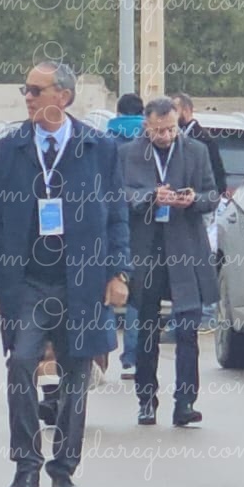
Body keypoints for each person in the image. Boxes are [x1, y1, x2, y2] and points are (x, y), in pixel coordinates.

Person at [0, 61, 130, 487]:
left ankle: (64, 467)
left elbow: (117, 215)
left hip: (80, 280)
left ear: (63, 96)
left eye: (36, 90)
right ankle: (26, 465)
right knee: (21, 363)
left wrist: (118, 272)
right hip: (28, 280)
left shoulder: (99, 148)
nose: (27, 97)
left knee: (75, 374)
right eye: (25, 90)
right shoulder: (11, 149)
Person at [123, 97, 218, 427]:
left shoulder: (196, 151)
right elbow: (119, 195)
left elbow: (212, 194)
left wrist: (193, 199)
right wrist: (150, 196)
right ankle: (146, 400)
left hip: (185, 249)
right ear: (146, 126)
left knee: (188, 329)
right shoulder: (129, 153)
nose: (165, 136)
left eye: (171, 129)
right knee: (147, 328)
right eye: (159, 130)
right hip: (147, 250)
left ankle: (185, 402)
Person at [170, 91, 226, 333]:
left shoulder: (202, 140)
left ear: (186, 110)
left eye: (175, 109)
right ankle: (183, 314)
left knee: (201, 257)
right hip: (177, 207)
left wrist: (198, 197)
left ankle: (205, 313)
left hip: (199, 207)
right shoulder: (174, 138)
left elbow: (216, 179)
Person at [108, 93, 145, 380]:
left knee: (107, 285)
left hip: (110, 224)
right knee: (136, 294)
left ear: (118, 112)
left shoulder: (106, 140)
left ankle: (101, 350)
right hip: (143, 224)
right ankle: (131, 357)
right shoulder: (148, 143)